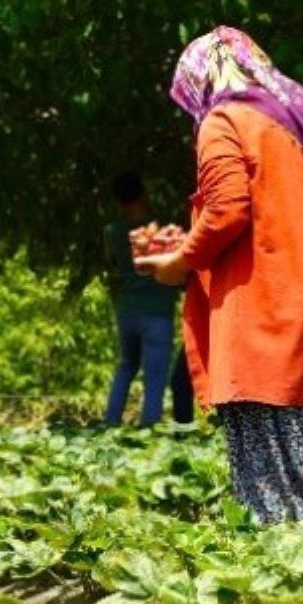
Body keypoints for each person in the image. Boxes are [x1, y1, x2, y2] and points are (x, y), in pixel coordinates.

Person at [136, 26, 303, 523]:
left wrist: (179, 264)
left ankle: (290, 572)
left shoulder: (225, 120)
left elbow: (227, 210)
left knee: (280, 515)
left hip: (275, 327)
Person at [102, 171, 181, 426]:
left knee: (126, 366)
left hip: (127, 309)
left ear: (119, 201)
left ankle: (110, 422)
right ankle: (149, 428)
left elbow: (114, 264)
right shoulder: (163, 231)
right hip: (157, 310)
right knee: (155, 377)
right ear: (144, 193)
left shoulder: (112, 232)